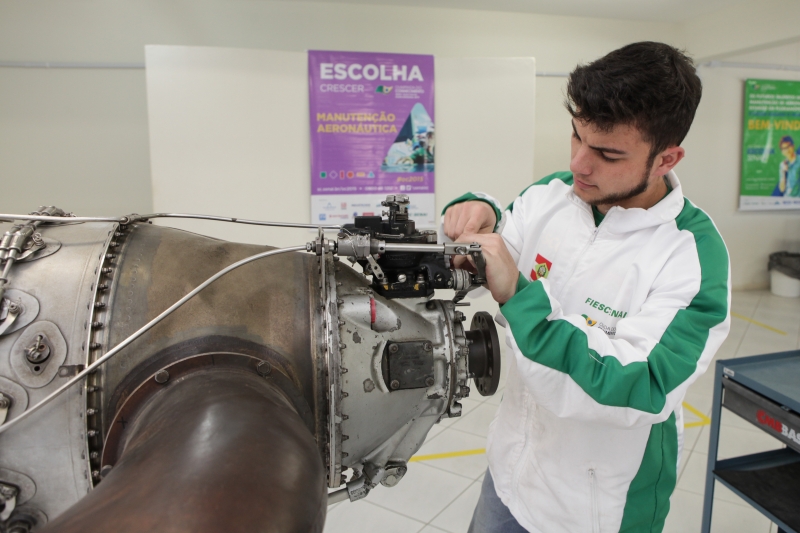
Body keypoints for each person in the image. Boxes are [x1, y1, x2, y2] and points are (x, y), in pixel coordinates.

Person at [441, 42, 730, 533]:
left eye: (606, 153)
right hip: (510, 475)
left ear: (666, 158)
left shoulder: (691, 257)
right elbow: (499, 238)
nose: (579, 163)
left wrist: (522, 301)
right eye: (576, 137)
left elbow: (641, 387)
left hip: (596, 510)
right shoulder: (553, 196)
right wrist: (480, 212)